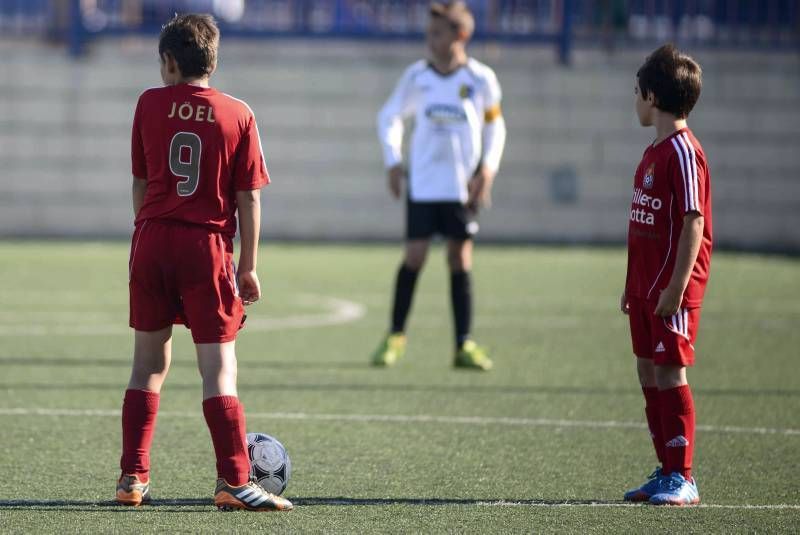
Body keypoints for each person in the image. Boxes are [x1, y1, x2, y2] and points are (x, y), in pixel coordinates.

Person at [116, 13, 292, 512]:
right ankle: (235, 480)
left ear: (169, 62)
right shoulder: (238, 113)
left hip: (150, 239)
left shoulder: (148, 103)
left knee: (147, 366)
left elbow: (141, 182)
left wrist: (149, 232)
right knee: (218, 369)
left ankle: (132, 477)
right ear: (212, 58)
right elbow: (249, 198)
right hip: (206, 245)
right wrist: (249, 265)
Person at [373, 1, 506, 370]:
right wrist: (393, 161)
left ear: (459, 35)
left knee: (459, 258)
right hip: (424, 186)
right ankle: (395, 336)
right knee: (414, 256)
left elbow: (496, 126)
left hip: (461, 187)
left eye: (437, 33)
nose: (429, 40)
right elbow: (389, 117)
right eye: (429, 33)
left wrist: (488, 170)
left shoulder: (480, 79)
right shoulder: (417, 77)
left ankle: (464, 344)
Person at [621, 44, 712, 506]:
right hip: (644, 287)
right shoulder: (652, 151)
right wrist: (630, 285)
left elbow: (693, 220)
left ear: (652, 96)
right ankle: (665, 469)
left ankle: (684, 476)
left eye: (636, 92)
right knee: (646, 369)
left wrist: (676, 287)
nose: (634, 100)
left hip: (671, 288)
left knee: (670, 371)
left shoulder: (682, 151)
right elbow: (644, 227)